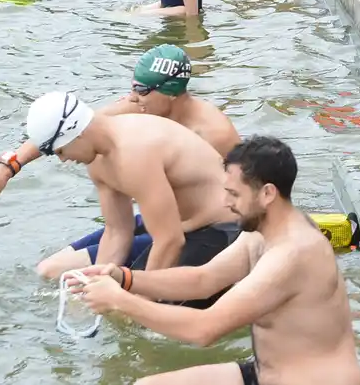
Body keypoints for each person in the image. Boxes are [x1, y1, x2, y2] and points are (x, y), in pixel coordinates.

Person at [72, 136, 360, 385]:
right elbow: (203, 280)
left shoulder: (293, 254)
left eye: (234, 194)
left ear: (267, 193)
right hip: (268, 373)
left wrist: (119, 301)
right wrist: (125, 279)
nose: (225, 203)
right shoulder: (263, 233)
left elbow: (204, 329)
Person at [0, 45, 238, 210]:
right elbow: (69, 126)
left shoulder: (216, 134)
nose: (131, 97)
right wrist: (9, 167)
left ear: (172, 93)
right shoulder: (137, 105)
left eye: (141, 91)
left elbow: (245, 193)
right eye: (132, 89)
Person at [17, 91, 242, 283]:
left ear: (78, 133)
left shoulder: (134, 152)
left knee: (134, 313)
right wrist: (97, 286)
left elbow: (170, 240)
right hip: (180, 226)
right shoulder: (97, 159)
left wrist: (138, 300)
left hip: (224, 227)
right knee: (92, 293)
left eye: (61, 151)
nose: (63, 160)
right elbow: (117, 231)